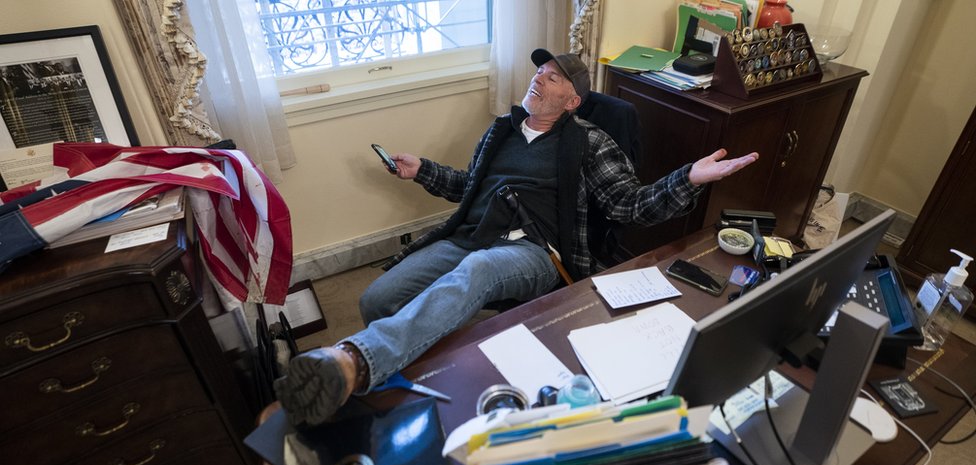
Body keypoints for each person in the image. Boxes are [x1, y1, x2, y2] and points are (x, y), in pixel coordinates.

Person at [274, 49, 759, 427]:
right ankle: (414, 384)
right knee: (377, 299)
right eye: (538, 72)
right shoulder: (501, 131)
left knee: (479, 272)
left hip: (534, 251)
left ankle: (353, 361)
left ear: (573, 101)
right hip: (470, 237)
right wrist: (423, 171)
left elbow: (629, 205)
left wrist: (688, 178)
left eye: (552, 77)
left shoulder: (589, 141)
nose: (538, 78)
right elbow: (471, 189)